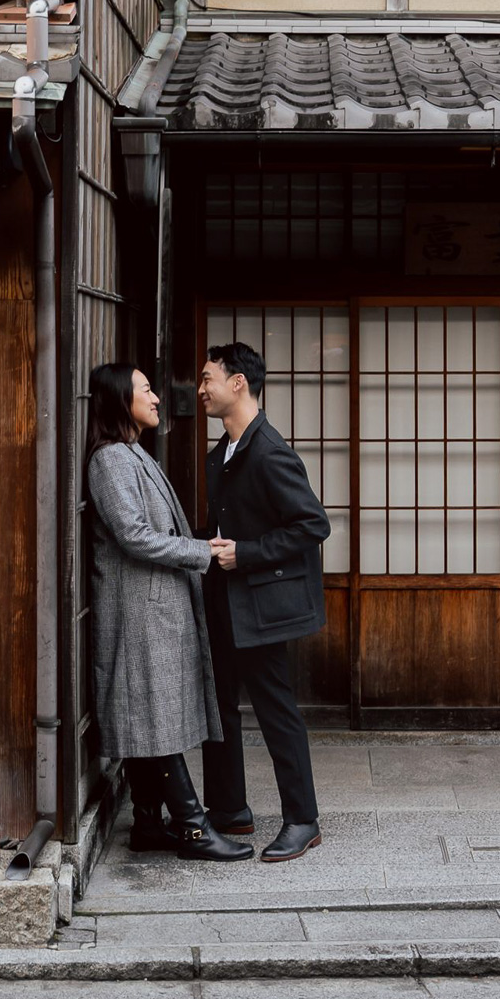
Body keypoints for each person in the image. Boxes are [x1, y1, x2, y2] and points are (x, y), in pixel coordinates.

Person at [85, 362, 252, 862]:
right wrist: (200, 552)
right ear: (120, 400)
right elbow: (133, 535)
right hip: (137, 612)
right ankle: (193, 829)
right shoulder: (111, 460)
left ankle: (147, 824)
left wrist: (199, 545)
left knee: (147, 715)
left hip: (150, 607)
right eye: (145, 390)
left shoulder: (132, 452)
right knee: (152, 717)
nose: (157, 397)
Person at [198, 342, 330, 862]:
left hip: (263, 609)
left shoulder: (270, 450)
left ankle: (303, 820)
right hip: (226, 603)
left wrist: (246, 554)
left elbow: (312, 525)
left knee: (276, 713)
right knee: (220, 706)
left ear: (238, 383)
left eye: (208, 377)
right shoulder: (224, 453)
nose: (201, 388)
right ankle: (230, 808)